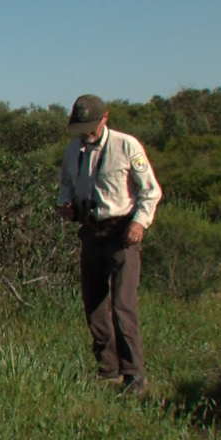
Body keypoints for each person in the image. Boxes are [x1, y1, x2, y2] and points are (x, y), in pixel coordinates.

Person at [58, 94, 162, 393]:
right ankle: (107, 368)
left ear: (106, 118)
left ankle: (133, 374)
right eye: (81, 126)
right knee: (94, 304)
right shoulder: (73, 150)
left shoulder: (126, 146)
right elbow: (65, 184)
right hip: (91, 232)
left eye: (91, 125)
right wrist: (66, 205)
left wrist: (140, 223)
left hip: (122, 233)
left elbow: (150, 192)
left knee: (123, 305)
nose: (86, 131)